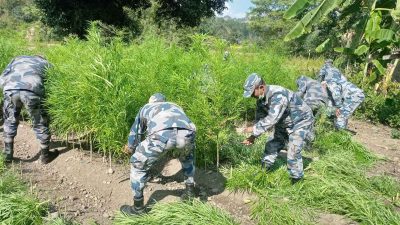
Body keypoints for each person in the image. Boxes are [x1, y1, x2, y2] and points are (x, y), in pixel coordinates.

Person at [120, 93, 197, 216]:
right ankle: (190, 192)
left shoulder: (146, 107)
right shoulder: (174, 105)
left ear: (151, 102)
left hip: (161, 136)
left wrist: (131, 148)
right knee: (187, 159)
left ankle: (137, 209)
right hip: (188, 133)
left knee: (137, 165)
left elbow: (136, 134)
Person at [242, 73, 314, 184]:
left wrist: (252, 128)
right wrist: (253, 137)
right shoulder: (261, 100)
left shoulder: (278, 95)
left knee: (293, 151)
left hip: (301, 121)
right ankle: (264, 171)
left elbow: (271, 119)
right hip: (284, 121)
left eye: (252, 94)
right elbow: (260, 120)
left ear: (261, 88)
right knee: (272, 144)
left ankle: (297, 180)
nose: (252, 96)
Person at [0, 55, 58, 164]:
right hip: (32, 91)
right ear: (42, 57)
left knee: (9, 120)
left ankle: (8, 154)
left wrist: (7, 88)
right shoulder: (45, 62)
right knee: (40, 122)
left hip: (10, 89)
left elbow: (2, 77)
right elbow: (54, 82)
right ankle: (45, 155)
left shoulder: (16, 59)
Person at [318, 59, 365, 130]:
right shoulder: (336, 70)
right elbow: (344, 80)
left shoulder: (329, 79)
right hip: (354, 94)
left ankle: (340, 133)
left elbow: (335, 93)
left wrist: (338, 107)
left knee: (340, 114)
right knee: (344, 112)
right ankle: (342, 129)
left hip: (354, 96)